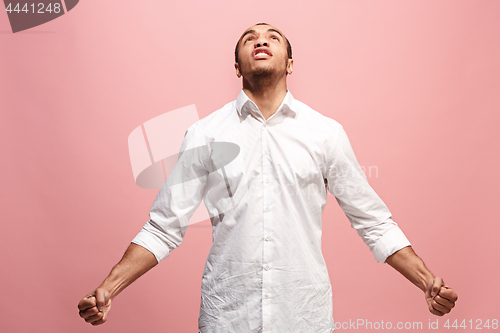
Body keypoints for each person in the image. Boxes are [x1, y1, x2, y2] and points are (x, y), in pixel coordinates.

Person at [78, 23, 458, 332]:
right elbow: (164, 227)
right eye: (249, 38)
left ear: (290, 64)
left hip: (303, 316)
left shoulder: (325, 133)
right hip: (227, 317)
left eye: (272, 37)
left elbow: (373, 222)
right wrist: (109, 288)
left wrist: (425, 281)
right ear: (237, 66)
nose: (261, 40)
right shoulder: (204, 134)